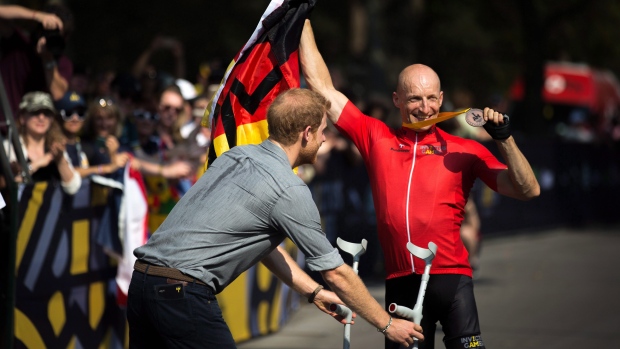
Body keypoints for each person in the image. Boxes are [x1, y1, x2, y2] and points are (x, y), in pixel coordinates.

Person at [299, 20, 540, 349]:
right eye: (414, 99)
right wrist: (300, 20)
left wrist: (505, 140)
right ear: (397, 99)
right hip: (401, 283)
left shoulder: (464, 150)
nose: (424, 108)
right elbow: (322, 88)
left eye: (430, 98)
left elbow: (528, 189)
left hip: (453, 281)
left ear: (441, 99)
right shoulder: (376, 137)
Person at [127, 88, 423, 348]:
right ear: (306, 133)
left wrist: (314, 292)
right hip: (182, 294)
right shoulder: (289, 187)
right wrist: (387, 324)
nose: (324, 139)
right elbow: (336, 272)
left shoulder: (235, 156)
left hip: (142, 284)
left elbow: (264, 246)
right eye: (322, 130)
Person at [2, 91, 80, 194]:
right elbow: (10, 186)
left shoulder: (55, 145)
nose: (41, 118)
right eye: (35, 112)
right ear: (22, 118)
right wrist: (37, 164)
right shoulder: (9, 147)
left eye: (47, 113)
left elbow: (73, 188)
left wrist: (60, 160)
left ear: (52, 119)